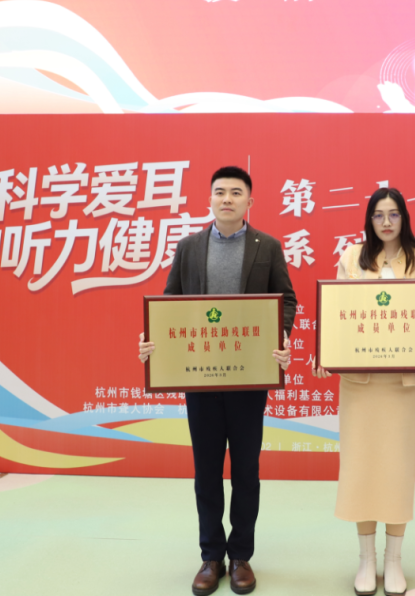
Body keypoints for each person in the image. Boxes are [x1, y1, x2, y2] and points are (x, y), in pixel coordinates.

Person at [138, 166, 296, 596]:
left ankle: (241, 555)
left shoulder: (268, 247)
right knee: (206, 470)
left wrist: (279, 335)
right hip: (200, 378)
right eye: (220, 192)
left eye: (236, 192)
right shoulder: (189, 247)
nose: (227, 199)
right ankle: (211, 556)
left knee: (246, 470)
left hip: (249, 379)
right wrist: (153, 340)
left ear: (249, 201)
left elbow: (286, 299)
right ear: (209, 199)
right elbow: (169, 303)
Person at [313, 187, 415, 596]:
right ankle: (366, 559)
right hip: (361, 383)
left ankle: (393, 559)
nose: (386, 222)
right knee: (361, 468)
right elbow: (337, 313)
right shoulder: (352, 257)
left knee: (397, 469)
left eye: (393, 214)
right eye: (378, 215)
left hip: (403, 384)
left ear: (404, 218)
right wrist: (326, 351)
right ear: (369, 220)